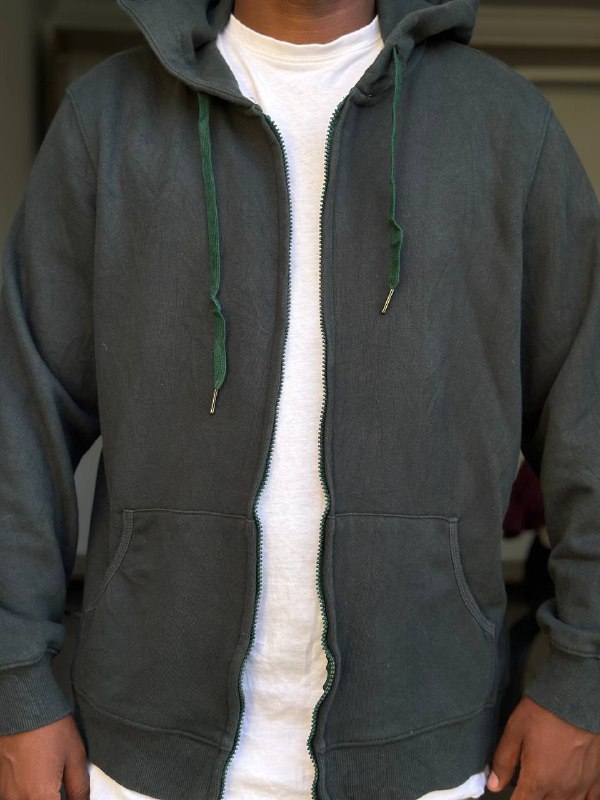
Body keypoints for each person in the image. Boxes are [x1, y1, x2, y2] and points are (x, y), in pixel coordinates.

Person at [0, 0, 599, 798]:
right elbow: (19, 415)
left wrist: (583, 676)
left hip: (437, 758)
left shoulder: (505, 127)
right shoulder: (106, 121)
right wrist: (15, 684)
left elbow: (588, 415)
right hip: (132, 760)